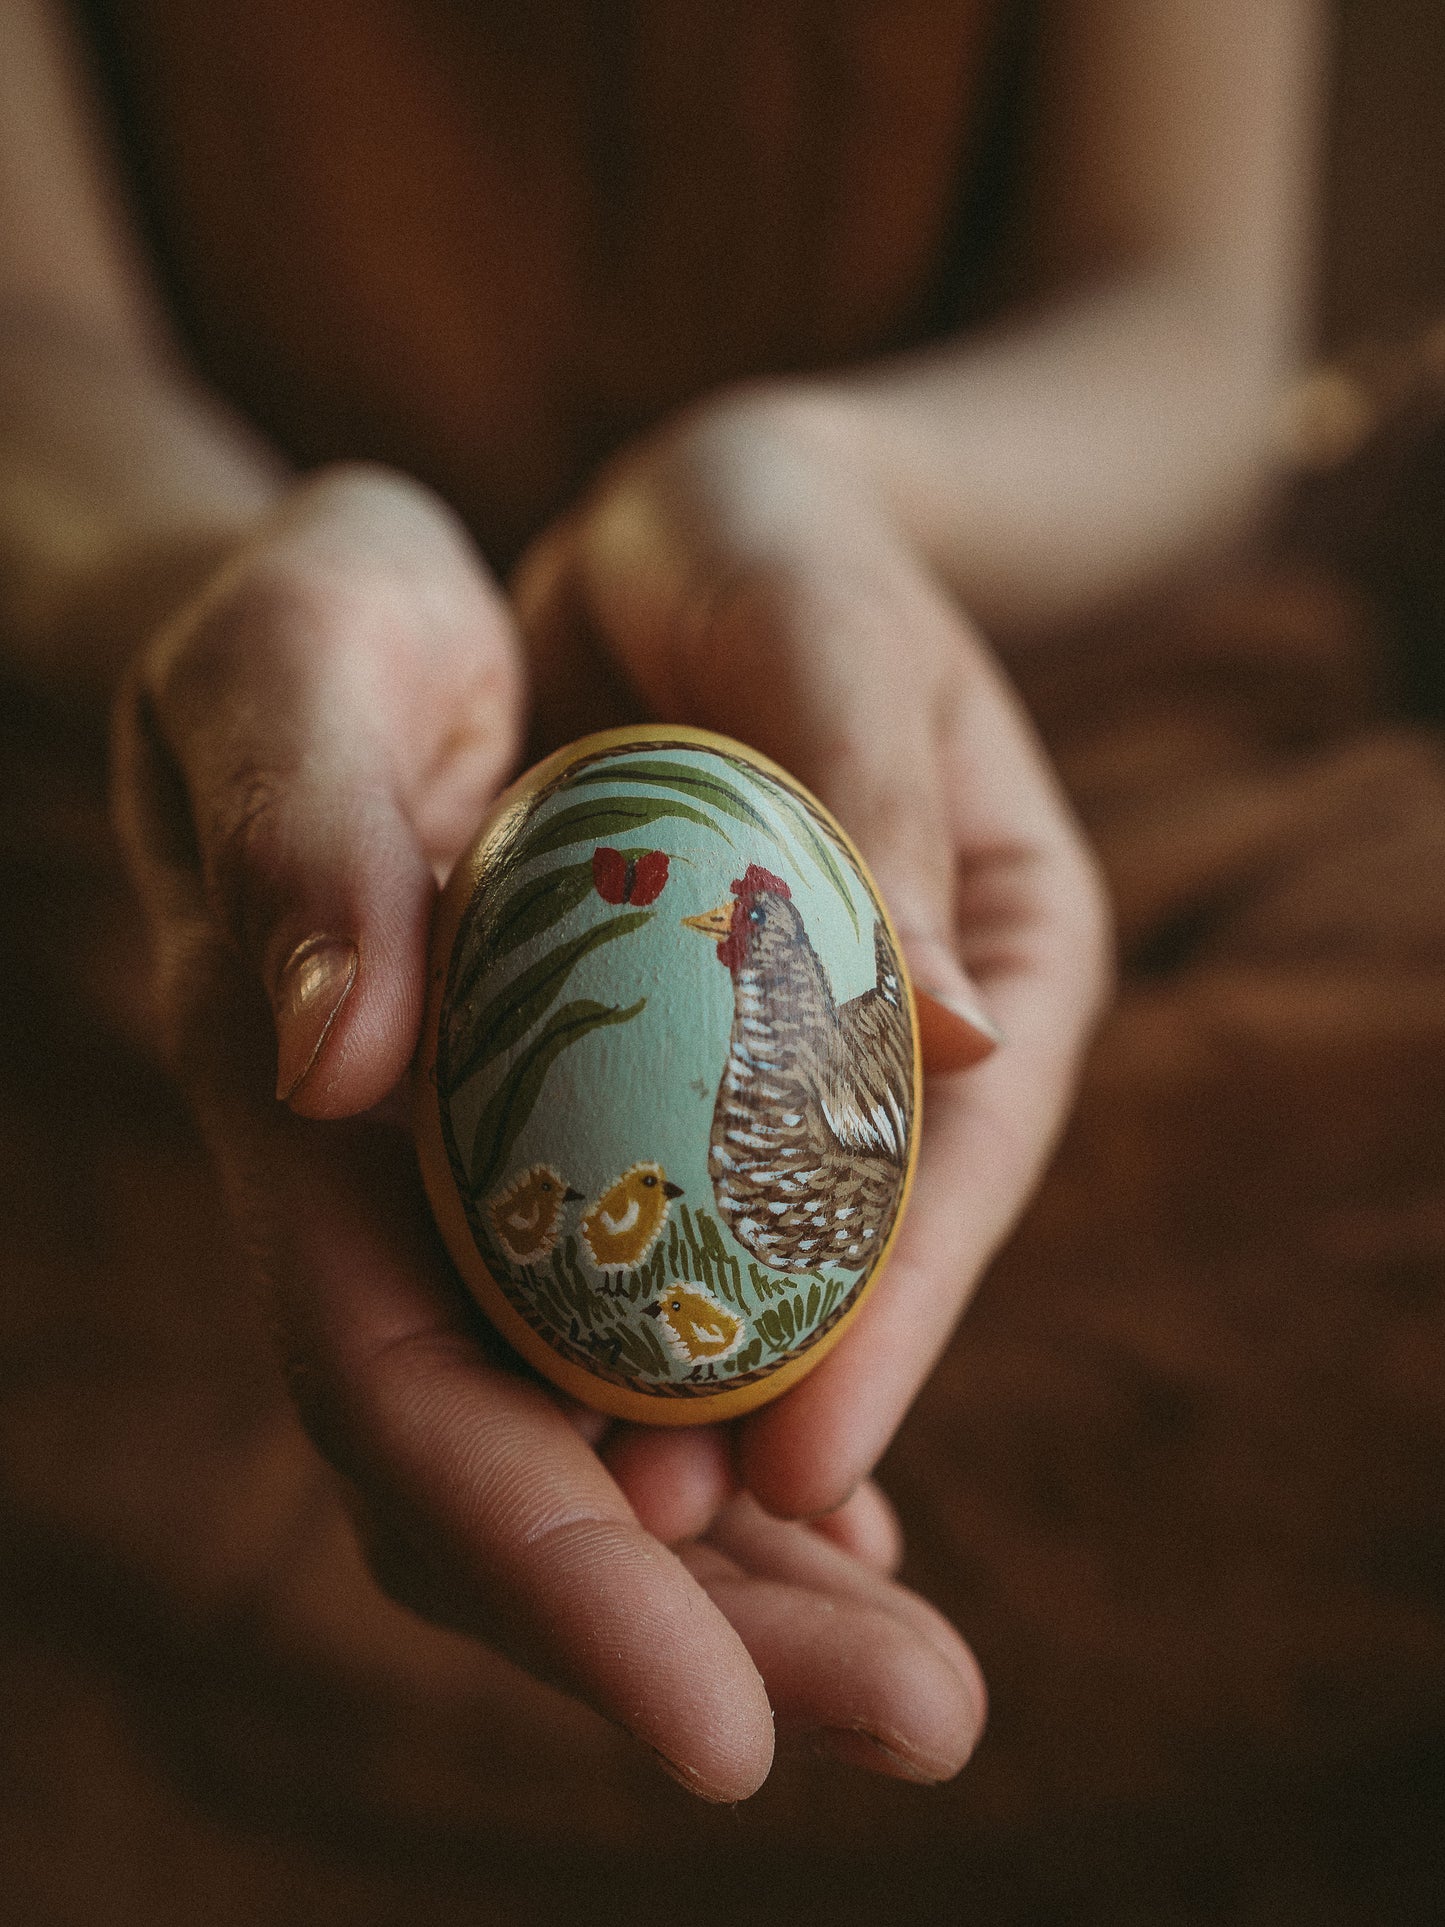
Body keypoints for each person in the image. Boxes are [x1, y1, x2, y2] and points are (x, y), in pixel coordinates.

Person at [0, 0, 1319, 1801]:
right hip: (223, 804)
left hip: (988, 716)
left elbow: (1193, 323)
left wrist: (829, 493)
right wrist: (213, 584)